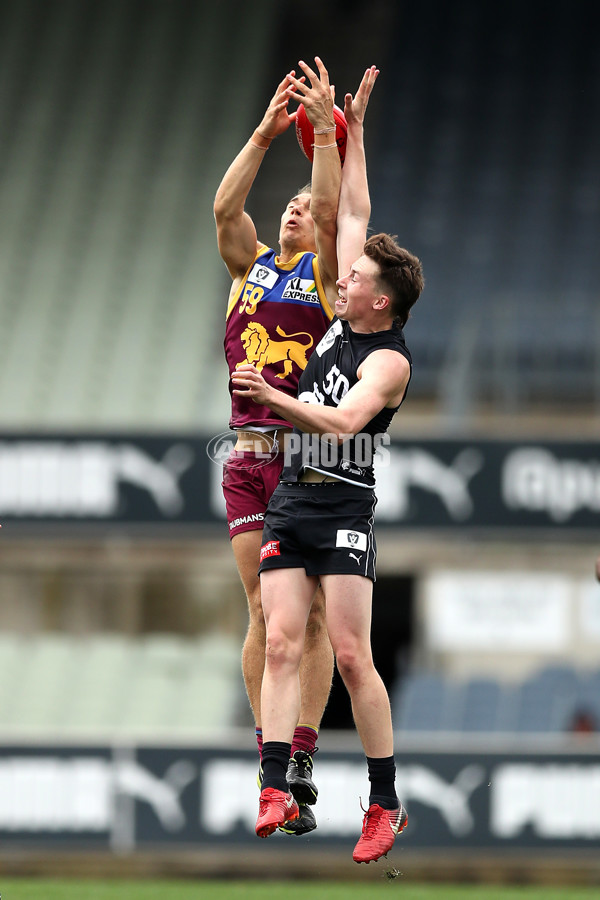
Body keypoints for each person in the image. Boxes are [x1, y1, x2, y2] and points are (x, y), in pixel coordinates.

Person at [232, 65, 424, 863]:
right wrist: (343, 129)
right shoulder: (344, 319)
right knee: (279, 640)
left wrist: (275, 403)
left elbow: (344, 422)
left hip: (343, 506)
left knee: (349, 656)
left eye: (356, 282)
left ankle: (384, 803)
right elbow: (351, 206)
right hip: (289, 502)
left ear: (382, 301)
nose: (340, 281)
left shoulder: (390, 363)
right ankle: (275, 783)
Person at [213, 58, 341, 835]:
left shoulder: (325, 281)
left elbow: (329, 212)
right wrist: (263, 136)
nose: (294, 211)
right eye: (286, 206)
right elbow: (225, 210)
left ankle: (298, 756)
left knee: (314, 617)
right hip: (245, 459)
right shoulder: (246, 270)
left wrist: (322, 136)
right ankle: (271, 768)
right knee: (261, 611)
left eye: (300, 205)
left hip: (307, 460)